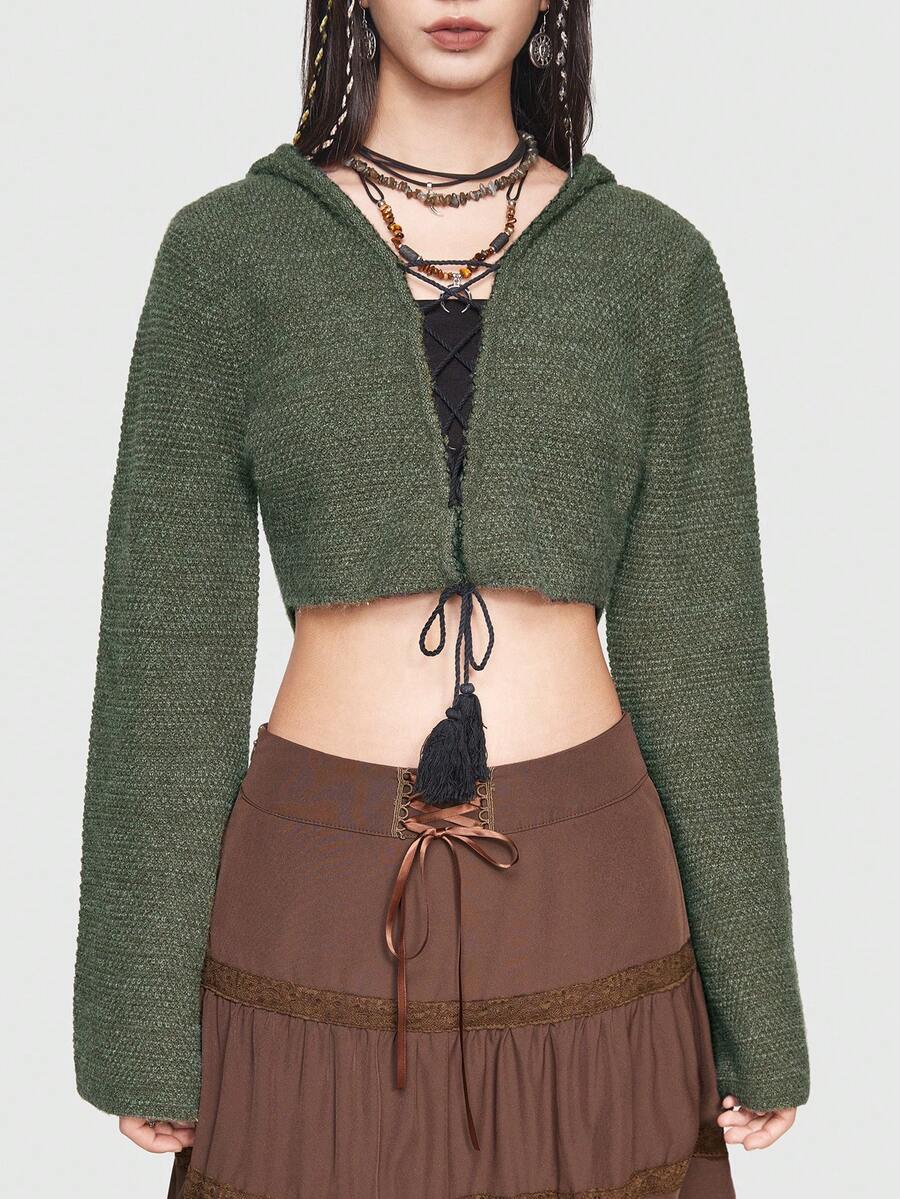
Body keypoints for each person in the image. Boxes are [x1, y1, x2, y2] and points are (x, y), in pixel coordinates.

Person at [73, 3, 810, 1197]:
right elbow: (166, 650)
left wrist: (758, 1009)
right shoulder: (228, 254)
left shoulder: (652, 263)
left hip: (593, 886)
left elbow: (705, 653)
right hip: (311, 890)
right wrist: (137, 1022)